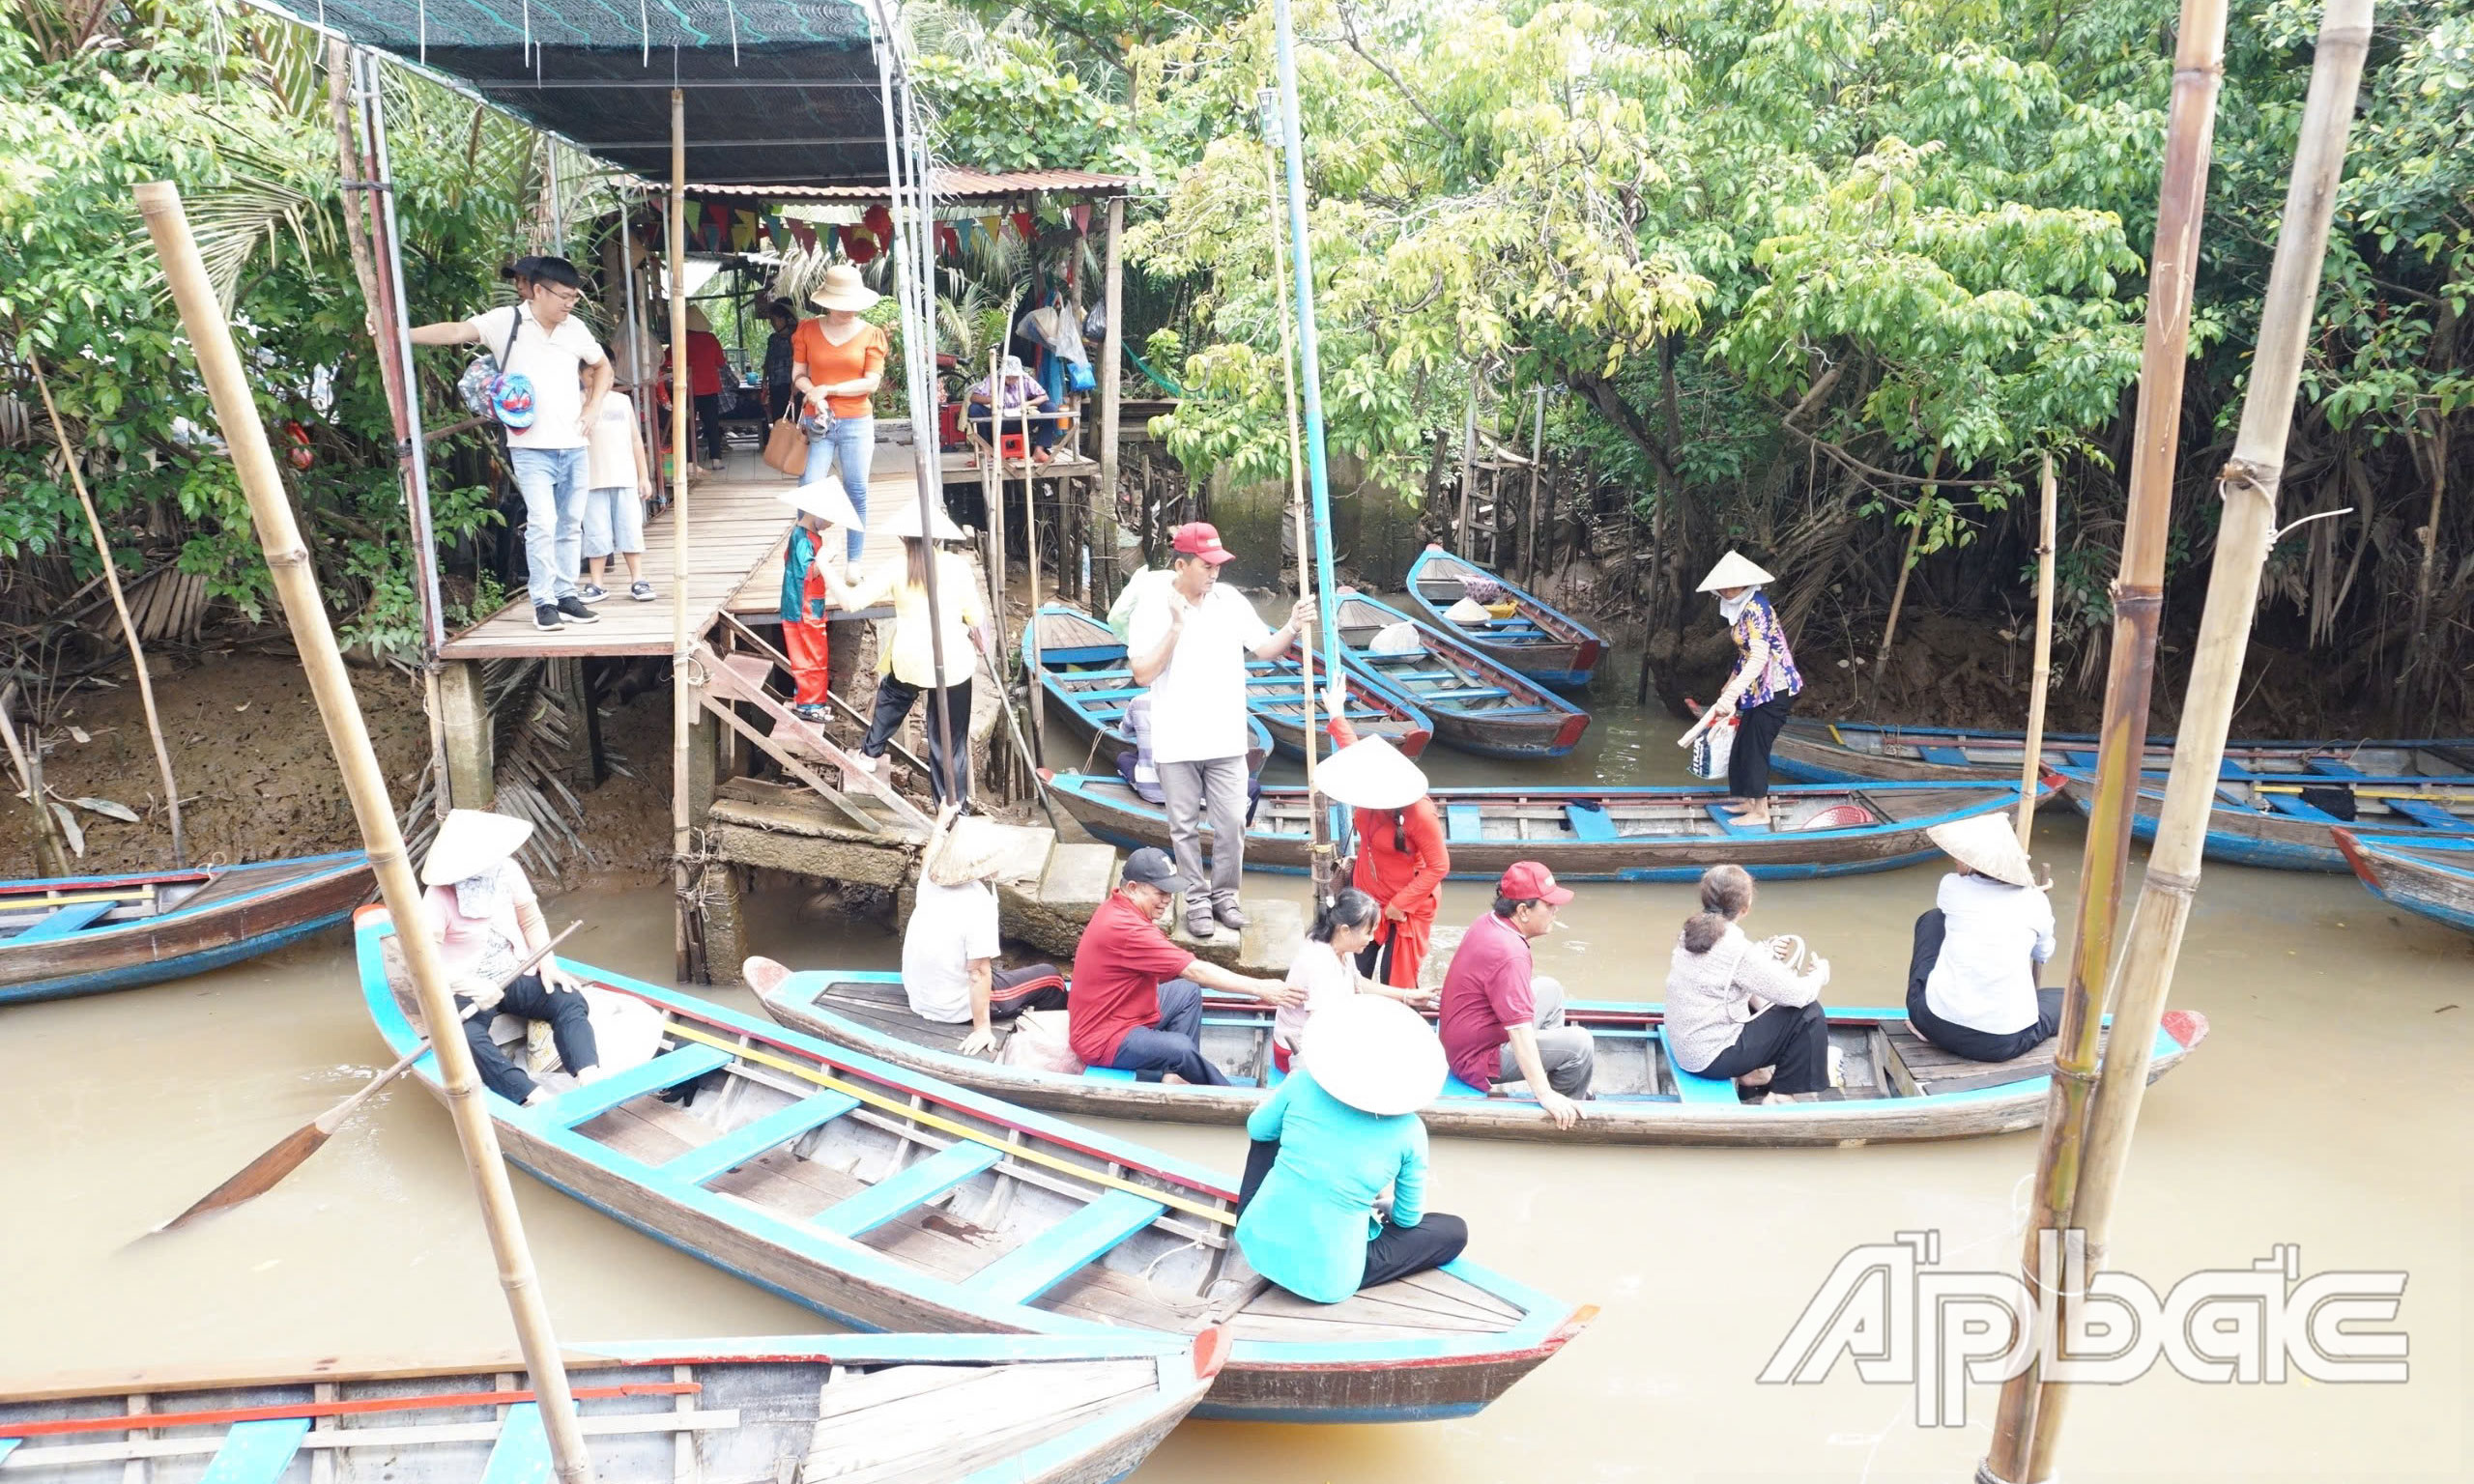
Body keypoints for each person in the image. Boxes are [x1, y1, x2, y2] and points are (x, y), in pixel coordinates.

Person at [1125, 523, 1314, 938]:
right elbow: (1141, 674)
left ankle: (1225, 895)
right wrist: (1175, 627)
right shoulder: (1154, 607)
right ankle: (1195, 898)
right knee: (1184, 826)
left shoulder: (1228, 600)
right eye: (1206, 565)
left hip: (1227, 737)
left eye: (1218, 565)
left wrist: (1293, 625)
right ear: (1181, 564)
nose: (1214, 573)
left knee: (1231, 822)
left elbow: (1263, 649)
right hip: (1176, 740)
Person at [410, 254, 609, 633]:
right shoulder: (508, 322)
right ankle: (544, 601)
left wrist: (594, 406)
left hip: (574, 443)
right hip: (530, 445)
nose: (570, 303)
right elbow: (455, 332)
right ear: (538, 290)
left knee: (570, 523)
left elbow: (603, 367)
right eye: (564, 296)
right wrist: (400, 332)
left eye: (574, 297)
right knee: (543, 522)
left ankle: (567, 594)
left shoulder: (576, 329)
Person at [1234, 995, 1468, 1303]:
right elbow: (1407, 1220)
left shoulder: (1301, 1084)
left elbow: (1257, 1129)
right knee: (1454, 1231)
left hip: (1257, 1240)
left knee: (1268, 1131)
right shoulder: (1410, 1131)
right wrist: (1381, 1203)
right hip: (1328, 1277)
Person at [1068, 847, 1303, 1084]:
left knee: (1186, 991)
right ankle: (1229, 1095)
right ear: (1132, 888)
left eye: (1170, 892)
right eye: (1160, 892)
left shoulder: (1120, 906)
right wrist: (1259, 988)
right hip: (1101, 1037)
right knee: (1180, 1048)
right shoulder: (1126, 929)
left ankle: (1177, 1076)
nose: (1167, 900)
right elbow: (1195, 970)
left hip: (1127, 1011)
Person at [418, 808, 600, 1106]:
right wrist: (469, 985)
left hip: (514, 971)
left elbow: (530, 920)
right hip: (464, 986)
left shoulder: (508, 871)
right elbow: (424, 961)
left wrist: (547, 963)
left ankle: (588, 1077)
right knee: (461, 1037)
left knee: (569, 998)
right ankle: (530, 1095)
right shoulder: (439, 895)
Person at [820, 499, 987, 806]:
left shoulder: (897, 567)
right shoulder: (958, 566)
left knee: (893, 695)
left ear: (902, 538)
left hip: (912, 659)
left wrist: (824, 565)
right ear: (938, 537)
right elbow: (976, 620)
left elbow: (851, 603)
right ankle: (953, 808)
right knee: (950, 743)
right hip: (953, 662)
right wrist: (981, 643)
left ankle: (870, 753)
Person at [1436, 862, 1593, 1127]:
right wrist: (1543, 1094)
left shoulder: (1489, 922)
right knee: (1580, 1045)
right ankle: (1564, 1108)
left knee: (1550, 989)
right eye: (1549, 905)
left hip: (1467, 1037)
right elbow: (1519, 1032)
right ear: (1522, 911)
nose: (1556, 911)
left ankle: (1548, 1074)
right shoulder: (1510, 953)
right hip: (1476, 1058)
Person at [1661, 864, 1833, 1100]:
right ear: (1746, 907)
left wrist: (1765, 951)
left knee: (1754, 996)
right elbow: (1799, 994)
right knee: (1808, 1013)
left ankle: (1751, 1076)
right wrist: (1820, 975)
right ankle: (1781, 1095)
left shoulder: (1691, 931)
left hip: (1688, 1047)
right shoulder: (1737, 950)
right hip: (1710, 1058)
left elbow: (1728, 969)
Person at [1318, 684, 1451, 991]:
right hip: (1368, 895)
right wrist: (1337, 713)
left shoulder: (1420, 814)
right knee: (1352, 970)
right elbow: (1351, 747)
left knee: (1398, 982)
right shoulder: (1369, 783)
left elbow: (1438, 867)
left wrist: (1399, 904)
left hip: (1407, 905)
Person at [906, 805, 1067, 1055]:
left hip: (919, 997)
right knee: (1052, 978)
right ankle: (1050, 1046)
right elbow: (979, 973)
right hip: (953, 1008)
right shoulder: (978, 904)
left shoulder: (931, 877)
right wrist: (982, 1029)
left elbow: (930, 855)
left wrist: (941, 823)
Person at [1907, 813, 2060, 1062]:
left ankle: (1927, 1022)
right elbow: (2043, 954)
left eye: (1961, 856)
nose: (1955, 859)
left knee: (1932, 920)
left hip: (1932, 1023)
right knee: (2065, 1000)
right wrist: (2034, 896)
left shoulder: (1951, 887)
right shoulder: (2035, 902)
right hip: (1998, 1044)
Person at [1274, 888, 1437, 1070]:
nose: (1372, 939)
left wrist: (1407, 995)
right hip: (1298, 1051)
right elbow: (1322, 1028)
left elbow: (1356, 981)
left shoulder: (1338, 944)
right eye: (1368, 933)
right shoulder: (1320, 963)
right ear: (1345, 930)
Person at [1696, 550, 1802, 827]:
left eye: (1734, 585)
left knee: (1756, 747)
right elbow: (1745, 655)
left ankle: (1760, 811)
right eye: (1724, 586)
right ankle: (1748, 799)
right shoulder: (1742, 610)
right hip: (1757, 690)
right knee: (1743, 743)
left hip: (1775, 689)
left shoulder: (1757, 609)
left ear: (1745, 585)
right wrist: (1731, 682)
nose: (1728, 590)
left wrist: (1732, 694)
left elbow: (1759, 657)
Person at [792, 263, 889, 561]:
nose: (847, 310)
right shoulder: (807, 329)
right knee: (810, 483)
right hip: (818, 420)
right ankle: (806, 554)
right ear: (827, 302)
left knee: (856, 488)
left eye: (851, 304)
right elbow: (798, 374)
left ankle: (854, 560)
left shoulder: (871, 334)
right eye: (840, 304)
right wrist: (813, 393)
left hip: (856, 420)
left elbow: (871, 383)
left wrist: (828, 390)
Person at [775, 476, 863, 724]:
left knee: (816, 656)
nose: (829, 525)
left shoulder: (806, 536)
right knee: (810, 657)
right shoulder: (802, 537)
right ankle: (808, 704)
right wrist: (826, 557)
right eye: (829, 520)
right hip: (802, 608)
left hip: (809, 605)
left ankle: (812, 700)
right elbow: (806, 573)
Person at [579, 371, 655, 604]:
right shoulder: (576, 402)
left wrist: (643, 476)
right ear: (581, 375)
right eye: (591, 373)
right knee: (595, 532)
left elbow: (634, 439)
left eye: (604, 373)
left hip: (624, 476)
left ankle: (638, 580)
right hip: (591, 480)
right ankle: (597, 583)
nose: (597, 378)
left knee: (630, 528)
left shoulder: (622, 401)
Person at [666, 304, 730, 471]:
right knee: (712, 424)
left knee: (687, 425)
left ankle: (688, 462)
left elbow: (666, 362)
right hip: (709, 389)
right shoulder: (711, 339)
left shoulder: (680, 341)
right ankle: (716, 460)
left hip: (687, 391)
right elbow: (721, 362)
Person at [967, 354, 1063, 464]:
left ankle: (1039, 450)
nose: (1011, 380)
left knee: (1050, 407)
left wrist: (1028, 403)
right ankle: (985, 452)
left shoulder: (1025, 379)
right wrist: (991, 400)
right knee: (974, 409)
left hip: (1022, 420)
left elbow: (1044, 396)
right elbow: (974, 397)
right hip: (998, 421)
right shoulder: (992, 378)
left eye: (1014, 377)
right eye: (1008, 377)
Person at [761, 300, 800, 422]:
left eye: (774, 320)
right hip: (775, 385)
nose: (772, 323)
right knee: (778, 418)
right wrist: (764, 379)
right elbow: (768, 360)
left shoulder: (796, 337)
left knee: (794, 417)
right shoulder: (773, 339)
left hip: (791, 385)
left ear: (785, 319)